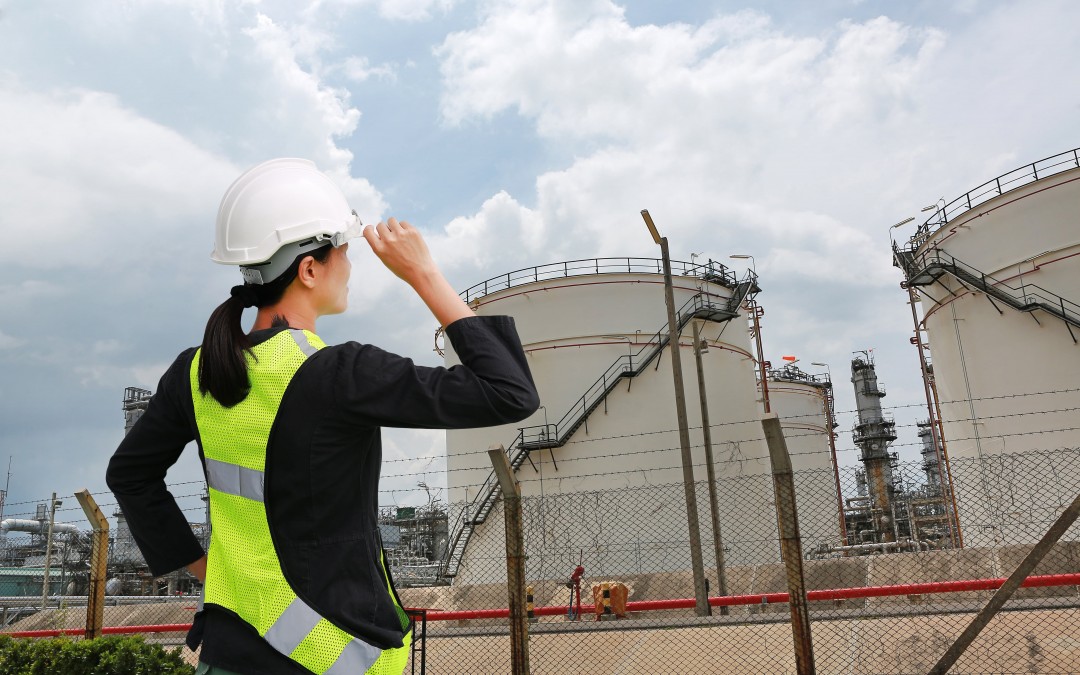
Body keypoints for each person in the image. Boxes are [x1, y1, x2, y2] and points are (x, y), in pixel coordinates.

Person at [106, 158, 539, 674]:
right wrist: (423, 274)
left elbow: (129, 474)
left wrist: (208, 570)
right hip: (332, 658)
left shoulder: (196, 370)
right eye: (345, 253)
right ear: (309, 269)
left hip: (229, 647)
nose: (351, 266)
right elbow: (509, 392)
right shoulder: (341, 373)